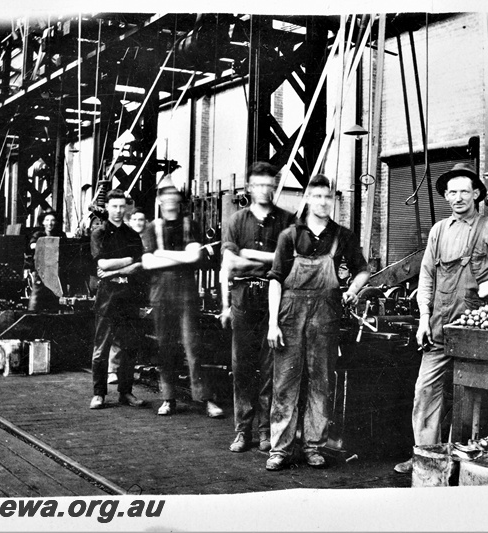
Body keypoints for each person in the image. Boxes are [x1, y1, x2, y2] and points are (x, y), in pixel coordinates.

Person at [393, 162, 488, 474]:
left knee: (469, 397)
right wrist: (423, 318)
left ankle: (465, 462)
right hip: (438, 327)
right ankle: (427, 456)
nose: (458, 197)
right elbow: (426, 279)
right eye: (452, 192)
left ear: (477, 194)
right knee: (426, 390)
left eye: (464, 191)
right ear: (446, 196)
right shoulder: (438, 231)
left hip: (474, 331)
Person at [265, 174, 370, 471]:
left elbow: (363, 271)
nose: (323, 202)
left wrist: (351, 291)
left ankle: (313, 446)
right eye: (318, 196)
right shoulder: (289, 236)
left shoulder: (342, 235)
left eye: (328, 197)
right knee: (285, 382)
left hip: (325, 314)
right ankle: (280, 449)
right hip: (289, 314)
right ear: (308, 198)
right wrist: (273, 323)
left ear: (333, 200)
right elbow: (275, 280)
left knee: (321, 382)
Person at [219, 162, 294, 453]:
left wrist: (248, 255)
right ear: (250, 188)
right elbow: (231, 263)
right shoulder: (236, 220)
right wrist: (269, 258)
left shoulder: (287, 220)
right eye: (258, 184)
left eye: (269, 184)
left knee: (269, 366)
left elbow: (287, 262)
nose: (264, 189)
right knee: (242, 367)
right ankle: (242, 431)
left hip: (274, 298)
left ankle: (266, 431)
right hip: (242, 298)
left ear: (274, 186)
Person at [141, 175, 224, 419]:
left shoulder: (191, 225)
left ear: (179, 201)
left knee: (193, 346)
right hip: (160, 294)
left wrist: (161, 254)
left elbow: (193, 258)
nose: (170, 203)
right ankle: (168, 399)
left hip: (186, 294)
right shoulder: (151, 228)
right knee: (164, 347)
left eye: (174, 198)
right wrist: (176, 256)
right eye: (165, 198)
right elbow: (147, 262)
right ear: (159, 200)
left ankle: (205, 399)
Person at [89, 189, 148, 410]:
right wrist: (127, 262)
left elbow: (138, 265)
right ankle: (99, 394)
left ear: (126, 208)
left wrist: (115, 270)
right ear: (107, 208)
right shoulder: (99, 233)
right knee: (101, 347)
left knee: (129, 346)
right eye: (114, 206)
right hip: (107, 298)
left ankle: (126, 392)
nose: (118, 211)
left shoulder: (132, 235)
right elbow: (101, 264)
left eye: (122, 207)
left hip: (128, 297)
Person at [107, 206, 149, 385]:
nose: (139, 223)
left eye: (142, 220)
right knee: (118, 331)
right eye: (135, 220)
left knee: (135, 332)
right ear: (129, 222)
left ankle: (129, 371)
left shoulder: (148, 240)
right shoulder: (125, 240)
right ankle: (112, 370)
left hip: (142, 288)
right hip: (123, 289)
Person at [25, 209, 65, 312]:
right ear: (43, 222)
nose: (50, 223)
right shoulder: (38, 235)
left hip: (56, 272)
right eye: (47, 220)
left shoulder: (61, 235)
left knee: (55, 299)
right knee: (35, 299)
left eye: (52, 220)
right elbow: (32, 245)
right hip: (40, 271)